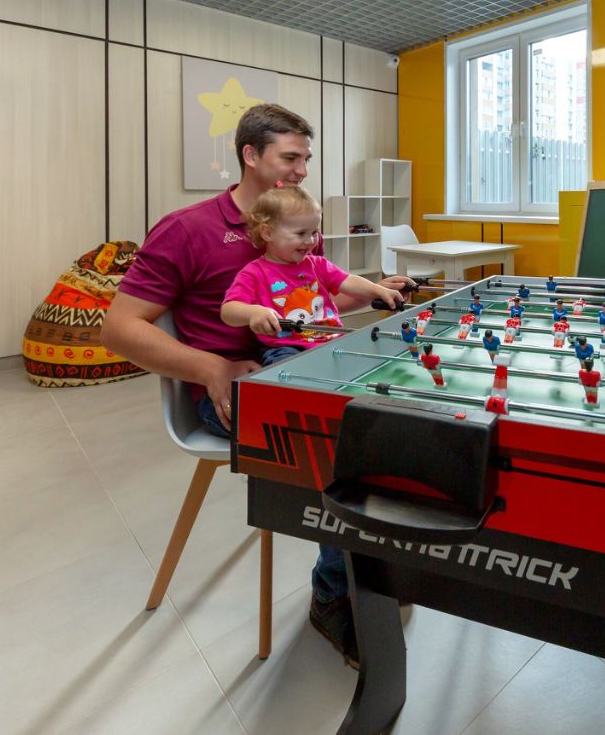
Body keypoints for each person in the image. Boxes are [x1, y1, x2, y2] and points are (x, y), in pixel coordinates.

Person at [102, 103, 411, 670]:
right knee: (347, 442)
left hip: (302, 372)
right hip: (227, 394)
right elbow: (118, 329)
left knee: (395, 414)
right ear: (250, 155)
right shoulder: (186, 229)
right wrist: (210, 368)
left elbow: (307, 308)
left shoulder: (299, 222)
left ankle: (367, 560)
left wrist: (373, 291)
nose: (302, 170)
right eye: (290, 157)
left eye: (306, 159)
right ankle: (334, 594)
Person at [220, 186, 402, 366]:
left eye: (314, 232)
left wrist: (378, 290)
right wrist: (253, 313)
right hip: (286, 348)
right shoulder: (254, 273)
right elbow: (228, 311)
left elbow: (348, 281)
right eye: (301, 233)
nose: (310, 241)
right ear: (268, 233)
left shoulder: (318, 264)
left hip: (332, 340)